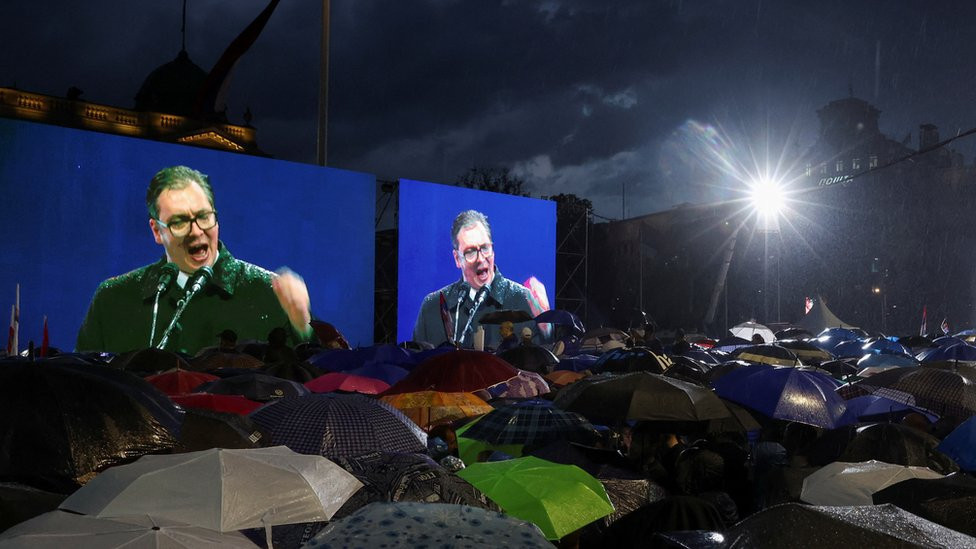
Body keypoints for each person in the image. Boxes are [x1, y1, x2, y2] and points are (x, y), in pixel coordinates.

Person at [76, 165, 314, 355]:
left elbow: (313, 379)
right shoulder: (113, 300)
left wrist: (302, 327)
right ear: (157, 231)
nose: (196, 231)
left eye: (203, 217)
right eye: (179, 222)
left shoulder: (269, 293)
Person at [412, 210, 536, 348]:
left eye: (485, 248)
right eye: (470, 252)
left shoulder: (522, 299)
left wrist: (547, 329)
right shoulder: (432, 306)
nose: (481, 258)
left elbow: (539, 357)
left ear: (493, 249)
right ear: (457, 258)